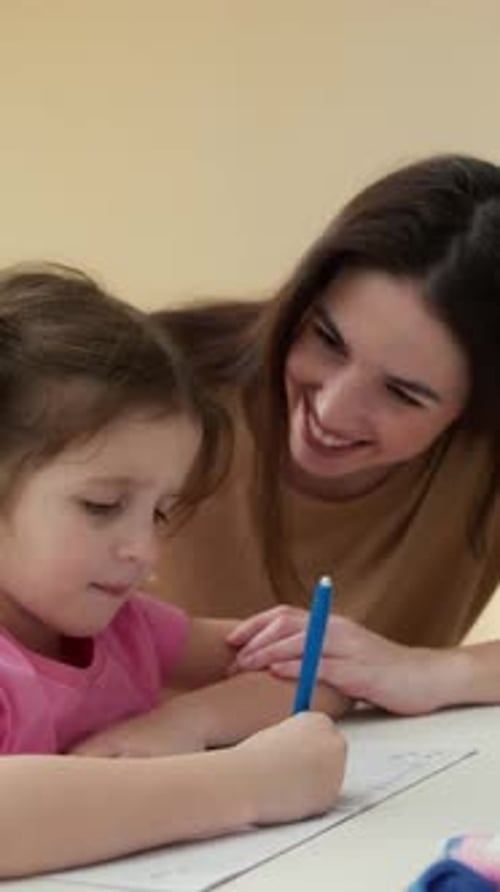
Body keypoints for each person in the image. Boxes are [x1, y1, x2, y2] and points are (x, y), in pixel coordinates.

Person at [0, 264, 346, 879]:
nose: (143, 549)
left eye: (160, 512)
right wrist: (247, 783)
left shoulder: (126, 627)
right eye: (101, 506)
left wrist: (184, 721)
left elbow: (314, 669)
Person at [152, 153, 500, 717]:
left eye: (403, 394)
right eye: (328, 340)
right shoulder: (158, 387)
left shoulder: (482, 456)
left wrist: (429, 672)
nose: (333, 411)